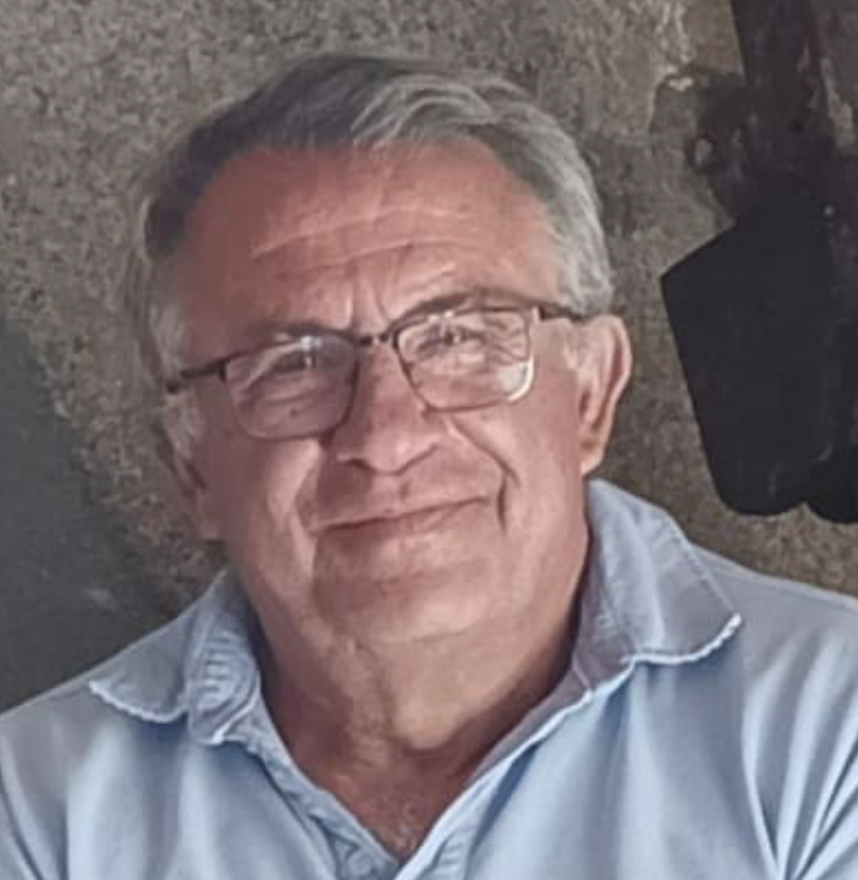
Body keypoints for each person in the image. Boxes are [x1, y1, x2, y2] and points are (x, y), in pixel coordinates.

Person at [2, 53, 858, 880]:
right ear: (190, 465)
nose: (386, 435)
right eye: (294, 365)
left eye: (456, 338)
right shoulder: (36, 814)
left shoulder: (831, 730)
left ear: (591, 395)